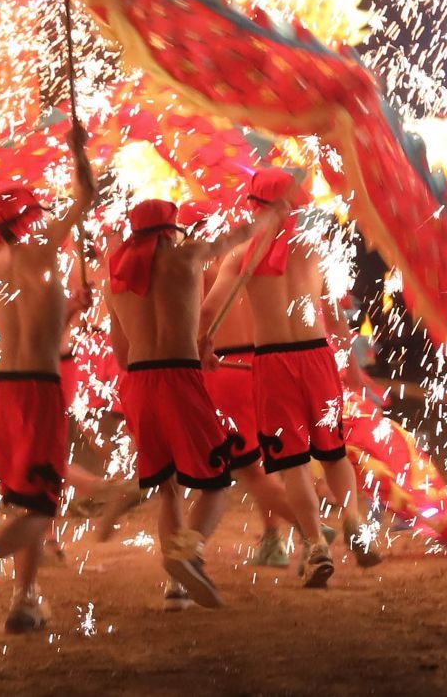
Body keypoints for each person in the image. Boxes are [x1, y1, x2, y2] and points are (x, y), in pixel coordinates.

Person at [0, 128, 99, 636]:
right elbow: (87, 195)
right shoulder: (43, 251)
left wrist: (67, 311)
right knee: (42, 504)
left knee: (26, 500)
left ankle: (25, 601)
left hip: (0, 391)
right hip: (36, 390)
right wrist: (77, 150)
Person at [105, 185, 291, 608]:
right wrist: (271, 216)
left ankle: (177, 588)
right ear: (170, 231)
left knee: (168, 487)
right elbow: (236, 237)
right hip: (179, 378)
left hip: (138, 385)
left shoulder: (114, 283)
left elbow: (121, 355)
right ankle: (189, 553)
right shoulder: (186, 257)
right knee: (217, 479)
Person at [213, 167, 383, 577]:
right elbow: (334, 318)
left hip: (273, 362)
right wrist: (351, 367)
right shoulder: (314, 248)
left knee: (291, 462)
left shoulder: (240, 255)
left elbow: (207, 311)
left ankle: (316, 544)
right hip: (317, 356)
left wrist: (201, 344)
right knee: (333, 452)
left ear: (254, 206)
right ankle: (354, 522)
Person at [171, 199, 316, 598]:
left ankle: (312, 531)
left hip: (222, 371)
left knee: (242, 470)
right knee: (254, 465)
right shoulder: (248, 257)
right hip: (255, 366)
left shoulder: (200, 265)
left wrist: (193, 351)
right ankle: (294, 534)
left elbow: (202, 316)